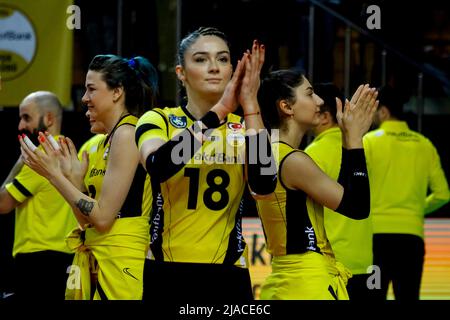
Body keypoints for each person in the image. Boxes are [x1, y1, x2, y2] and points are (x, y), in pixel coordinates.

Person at [135, 27, 277, 301]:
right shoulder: (159, 119)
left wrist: (249, 104)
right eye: (201, 59)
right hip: (167, 272)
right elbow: (158, 165)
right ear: (181, 73)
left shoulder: (247, 125)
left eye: (223, 59)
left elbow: (264, 186)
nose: (214, 67)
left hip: (228, 274)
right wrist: (219, 112)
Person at [19, 54, 159, 300]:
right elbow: (88, 223)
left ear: (117, 92)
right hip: (102, 260)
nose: (84, 98)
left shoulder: (128, 133)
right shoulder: (107, 141)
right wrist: (73, 181)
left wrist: (53, 175)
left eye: (91, 89)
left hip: (125, 265)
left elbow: (104, 219)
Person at [255, 69, 378, 300]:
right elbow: (357, 206)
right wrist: (353, 139)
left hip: (289, 278)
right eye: (310, 94)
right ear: (287, 107)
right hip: (308, 281)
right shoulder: (293, 161)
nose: (320, 102)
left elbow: (346, 198)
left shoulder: (270, 152)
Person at [363, 85, 450, 300]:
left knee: (373, 296)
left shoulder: (368, 142)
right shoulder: (424, 144)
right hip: (411, 240)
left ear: (383, 111)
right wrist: (415, 209)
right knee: (408, 297)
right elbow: (443, 194)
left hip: (376, 241)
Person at [0, 91, 77, 300]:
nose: (20, 126)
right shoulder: (69, 153)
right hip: (68, 258)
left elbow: (2, 204)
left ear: (49, 119)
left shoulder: (41, 158)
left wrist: (19, 162)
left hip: (38, 261)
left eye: (27, 118)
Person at [304, 83, 374, 300]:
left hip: (332, 262)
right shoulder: (363, 148)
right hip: (365, 261)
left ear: (325, 117)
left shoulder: (312, 153)